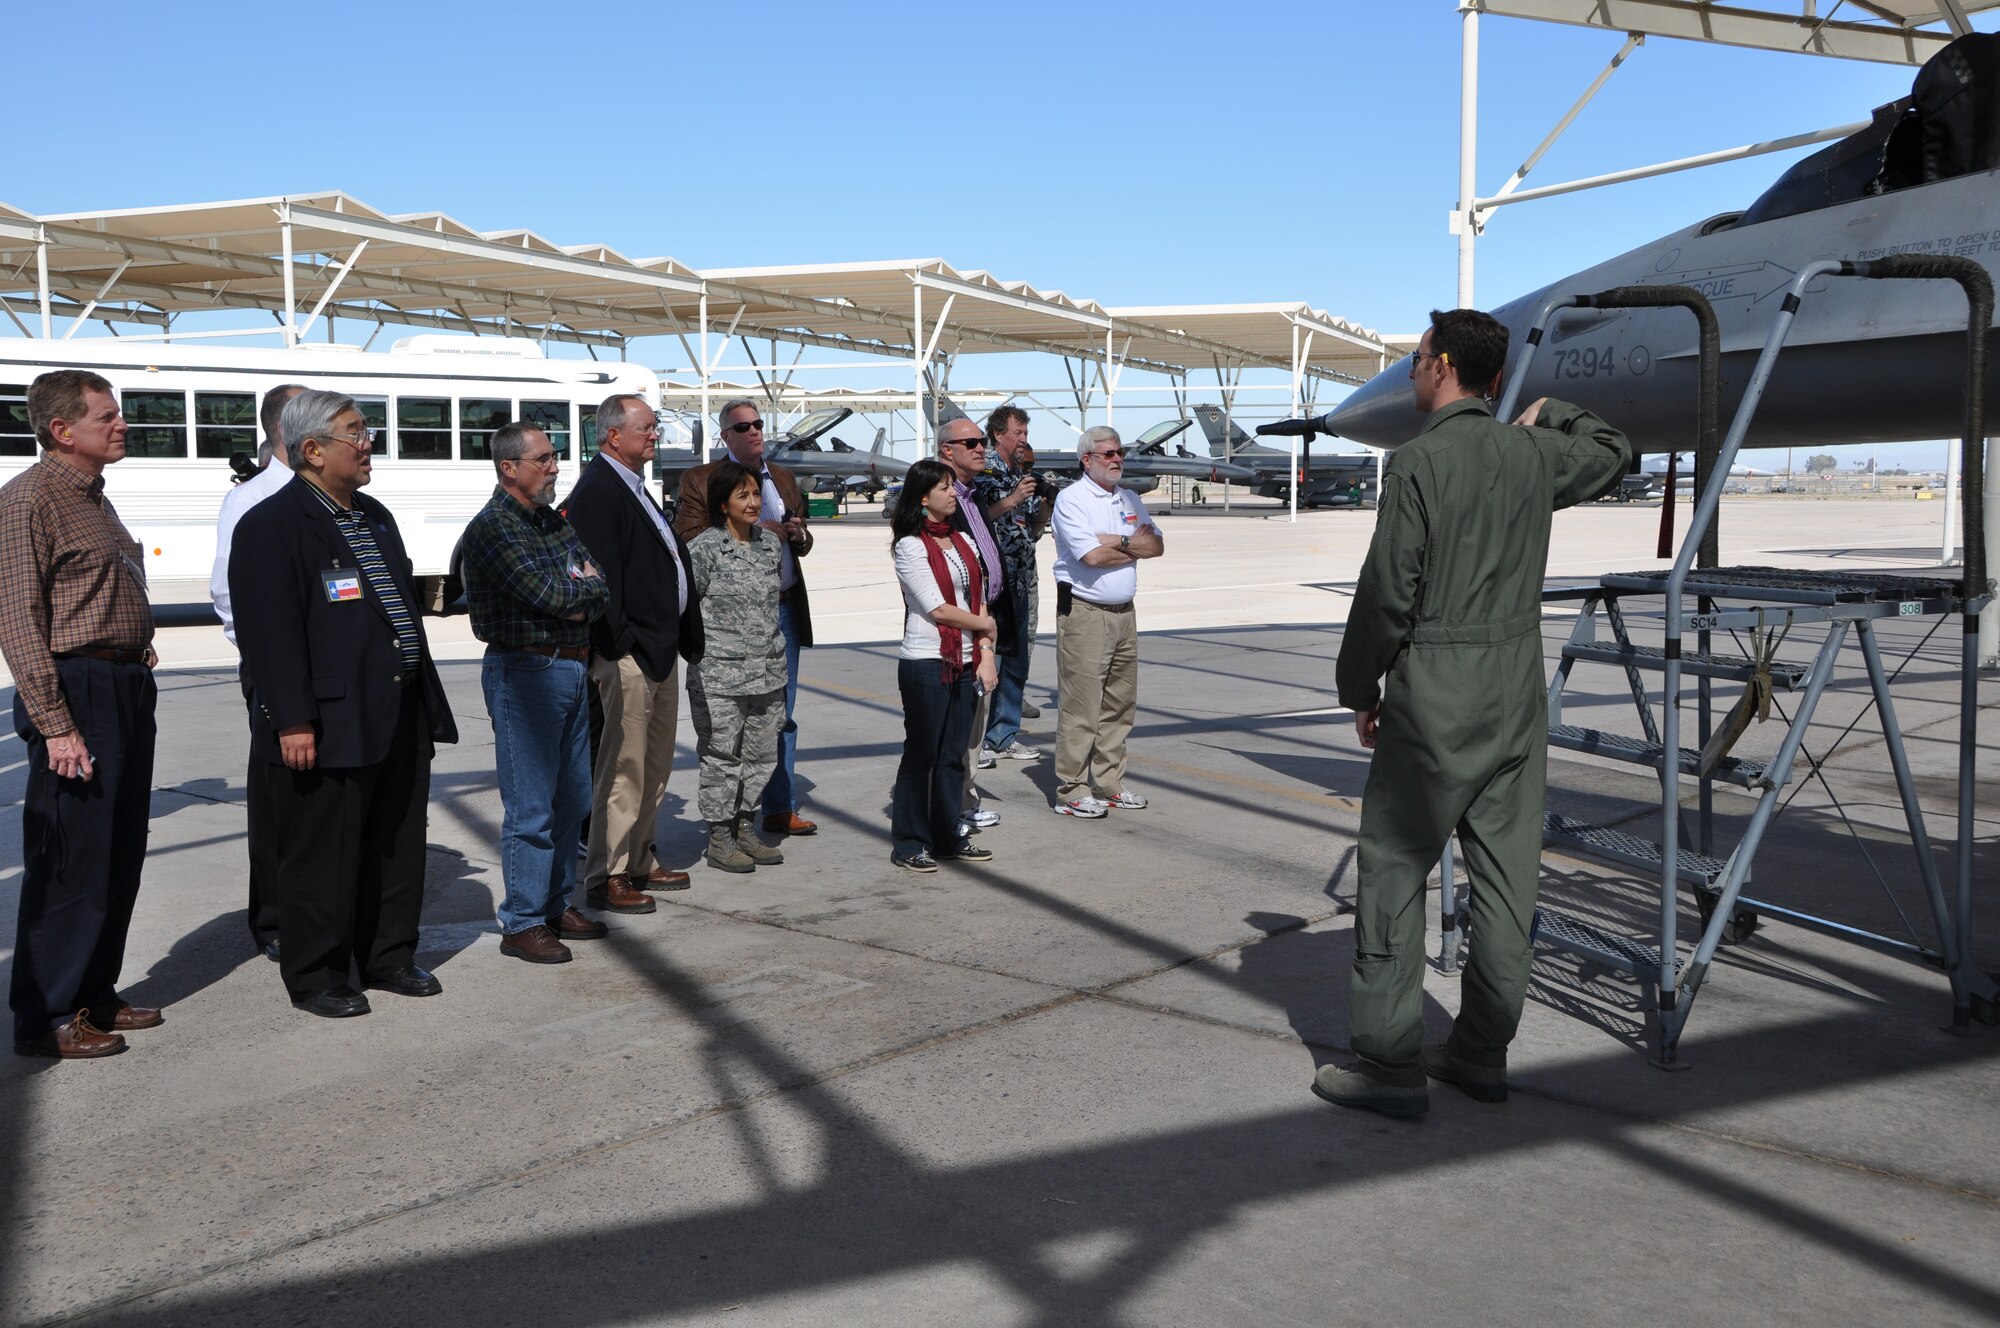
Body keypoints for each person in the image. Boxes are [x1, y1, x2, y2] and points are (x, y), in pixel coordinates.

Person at [1315, 307, 1631, 1119]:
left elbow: (1388, 592)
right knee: (1504, 877)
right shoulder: (1533, 454)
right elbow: (1613, 450)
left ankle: (1387, 1064)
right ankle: (1482, 1051)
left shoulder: (1417, 465)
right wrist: (1548, 412)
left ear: (1444, 366)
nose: (1415, 369)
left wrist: (1362, 687)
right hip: (1515, 684)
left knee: (1391, 870)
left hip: (1437, 685)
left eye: (1419, 358)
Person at [229, 389, 459, 1018]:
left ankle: (386, 957)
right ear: (311, 449)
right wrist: (293, 718)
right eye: (355, 433)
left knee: (396, 843)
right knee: (320, 856)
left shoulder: (374, 513)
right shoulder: (271, 525)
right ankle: (319, 977)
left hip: (396, 706)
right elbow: (269, 636)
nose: (368, 444)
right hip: (327, 718)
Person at [1, 371, 161, 1058]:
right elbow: (18, 618)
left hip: (121, 683)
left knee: (118, 852)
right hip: (78, 691)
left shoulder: (96, 498)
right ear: (62, 430)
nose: (121, 425)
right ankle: (49, 1013)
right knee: (71, 858)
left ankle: (95, 992)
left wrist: (135, 645)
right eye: (107, 416)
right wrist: (56, 722)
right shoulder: (29, 500)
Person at [462, 421, 610, 965]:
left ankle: (553, 905)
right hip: (525, 673)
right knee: (531, 806)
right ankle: (522, 921)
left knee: (573, 798)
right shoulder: (495, 528)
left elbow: (600, 586)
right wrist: (581, 590)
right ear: (509, 467)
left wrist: (583, 592)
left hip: (570, 669)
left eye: (555, 456)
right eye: (544, 458)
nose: (555, 466)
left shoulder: (550, 522)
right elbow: (550, 592)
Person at [562, 393, 701, 915]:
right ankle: (609, 874)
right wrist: (620, 645)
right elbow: (602, 579)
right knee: (623, 768)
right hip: (631, 654)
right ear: (613, 435)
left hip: (658, 650)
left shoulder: (635, 486)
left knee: (655, 764)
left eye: (655, 426)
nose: (655, 435)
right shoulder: (600, 490)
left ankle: (640, 858)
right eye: (646, 427)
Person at [676, 400, 817, 838]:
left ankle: (777, 806)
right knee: (727, 731)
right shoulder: (700, 479)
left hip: (782, 609)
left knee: (779, 714)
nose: (754, 431)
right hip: (728, 621)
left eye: (758, 424)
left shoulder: (785, 479)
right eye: (744, 426)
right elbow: (687, 538)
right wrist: (748, 533)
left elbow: (803, 539)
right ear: (727, 436)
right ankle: (730, 824)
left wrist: (797, 534)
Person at [211, 382, 304, 963]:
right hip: (275, 672)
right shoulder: (250, 499)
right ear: (287, 429)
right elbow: (228, 594)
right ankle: (273, 918)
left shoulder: (333, 494)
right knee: (277, 800)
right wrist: (268, 663)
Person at [1048, 426, 1163, 818]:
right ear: (1087, 460)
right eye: (1108, 454)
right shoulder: (1072, 500)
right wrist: (1133, 543)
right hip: (1086, 614)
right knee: (1082, 707)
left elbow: (1157, 546)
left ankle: (1109, 782)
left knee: (1119, 704)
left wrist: (1113, 541)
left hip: (1124, 615)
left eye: (1119, 454)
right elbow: (1091, 558)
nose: (1116, 460)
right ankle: (1071, 789)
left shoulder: (1129, 498)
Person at [888, 459, 997, 872]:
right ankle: (910, 842)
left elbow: (978, 597)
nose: (954, 494)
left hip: (967, 662)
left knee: (954, 756)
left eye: (953, 487)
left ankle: (948, 834)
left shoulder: (963, 542)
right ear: (922, 496)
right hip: (927, 662)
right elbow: (939, 609)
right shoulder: (909, 545)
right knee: (922, 755)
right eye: (945, 487)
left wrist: (985, 652)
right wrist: (986, 626)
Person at [684, 461, 788, 874]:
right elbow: (688, 609)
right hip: (720, 675)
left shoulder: (769, 545)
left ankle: (747, 826)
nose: (752, 502)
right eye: (742, 496)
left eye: (755, 494)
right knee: (721, 756)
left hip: (767, 669)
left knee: (761, 755)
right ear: (722, 504)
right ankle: (720, 836)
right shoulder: (705, 549)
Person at [934, 416, 1011, 834]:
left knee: (975, 724)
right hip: (954, 629)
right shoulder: (939, 497)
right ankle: (948, 808)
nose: (982, 447)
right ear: (948, 450)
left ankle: (964, 801)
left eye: (983, 441)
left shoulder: (973, 494)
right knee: (952, 724)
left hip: (982, 623)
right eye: (972, 442)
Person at [971, 404, 1048, 760]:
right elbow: (976, 518)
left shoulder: (1020, 471)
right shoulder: (983, 469)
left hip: (1023, 574)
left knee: (1018, 656)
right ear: (999, 433)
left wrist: (1043, 507)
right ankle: (977, 739)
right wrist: (1013, 499)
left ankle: (1003, 735)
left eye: (1027, 434)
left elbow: (1031, 527)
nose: (1023, 440)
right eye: (1018, 433)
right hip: (993, 578)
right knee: (988, 658)